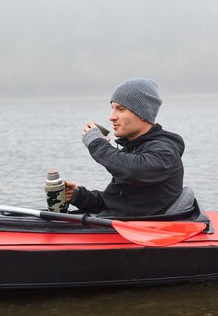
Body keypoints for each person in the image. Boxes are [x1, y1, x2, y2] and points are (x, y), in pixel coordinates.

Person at [64, 78, 185, 217]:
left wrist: (97, 143)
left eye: (121, 109)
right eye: (112, 108)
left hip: (144, 232)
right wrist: (77, 196)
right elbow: (115, 202)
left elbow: (136, 171)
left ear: (143, 114)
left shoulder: (165, 149)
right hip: (123, 225)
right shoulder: (132, 148)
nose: (111, 117)